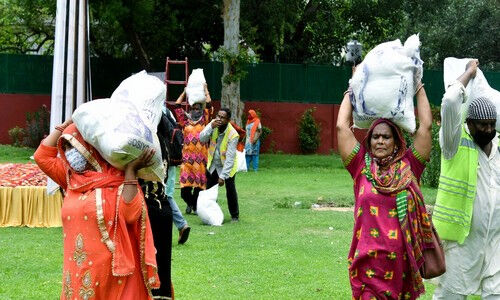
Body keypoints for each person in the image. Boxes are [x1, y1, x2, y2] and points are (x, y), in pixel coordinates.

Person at [34, 119, 160, 299]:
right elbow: (42, 156)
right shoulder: (71, 178)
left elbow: (130, 214)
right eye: (67, 148)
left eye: (74, 146)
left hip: (111, 273)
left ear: (89, 147)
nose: (70, 154)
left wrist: (130, 171)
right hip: (77, 270)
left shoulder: (115, 178)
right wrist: (69, 122)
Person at [337, 77, 434, 299]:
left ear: (396, 141)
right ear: (369, 140)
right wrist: (352, 88)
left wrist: (418, 86)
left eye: (386, 137)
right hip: (367, 267)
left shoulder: (409, 166)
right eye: (375, 137)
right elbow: (342, 126)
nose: (380, 141)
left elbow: (426, 127)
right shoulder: (360, 165)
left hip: (402, 267)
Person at [433, 60, 500, 299]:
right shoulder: (454, 143)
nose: (488, 130)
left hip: (495, 244)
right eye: (482, 125)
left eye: (492, 125)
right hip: (460, 244)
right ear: (469, 123)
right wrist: (469, 73)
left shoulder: (499, 147)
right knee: (452, 295)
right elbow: (450, 101)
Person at [173, 85, 213, 214]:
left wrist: (206, 90)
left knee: (199, 187)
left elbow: (209, 104)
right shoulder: (186, 121)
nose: (195, 110)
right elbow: (176, 106)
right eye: (193, 108)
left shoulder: (204, 121)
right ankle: (190, 203)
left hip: (201, 160)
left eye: (197, 108)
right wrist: (185, 92)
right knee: (184, 189)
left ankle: (194, 206)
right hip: (187, 160)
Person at [199, 108, 240, 222]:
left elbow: (230, 158)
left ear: (228, 120)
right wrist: (210, 127)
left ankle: (235, 216)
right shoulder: (213, 126)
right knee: (210, 190)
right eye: (218, 116)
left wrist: (223, 176)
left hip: (227, 167)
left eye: (223, 117)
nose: (219, 119)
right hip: (213, 165)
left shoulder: (233, 135)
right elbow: (201, 138)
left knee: (230, 190)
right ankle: (210, 214)